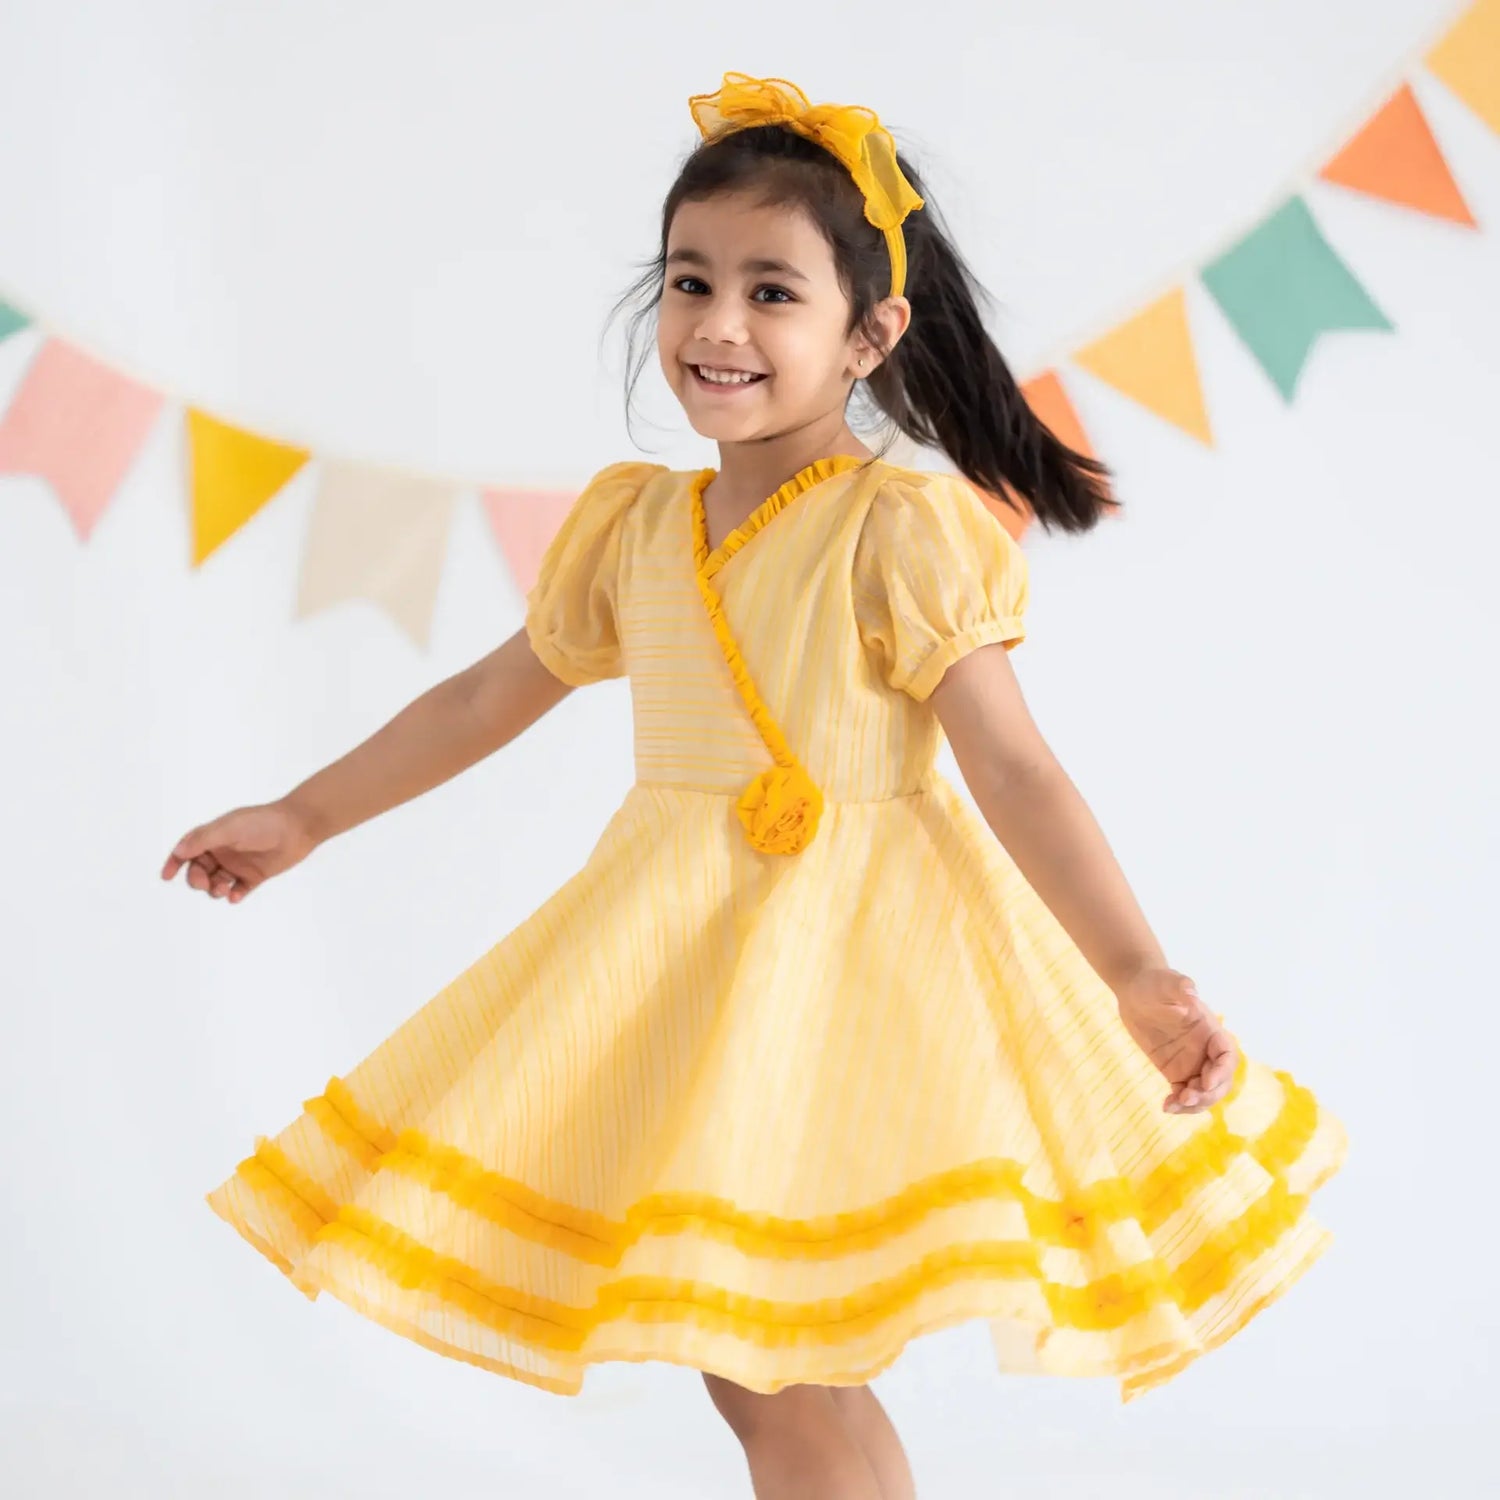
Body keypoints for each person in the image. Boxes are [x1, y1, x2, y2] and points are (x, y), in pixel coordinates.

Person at [163, 72, 1347, 1500]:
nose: (719, 326)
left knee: (777, 1360)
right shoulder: (637, 526)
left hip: (850, 974)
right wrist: (304, 815)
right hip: (684, 954)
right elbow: (490, 694)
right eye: (690, 281)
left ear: (870, 334)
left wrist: (1135, 969)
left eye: (772, 292)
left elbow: (1015, 763)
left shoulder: (899, 526)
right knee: (760, 1364)